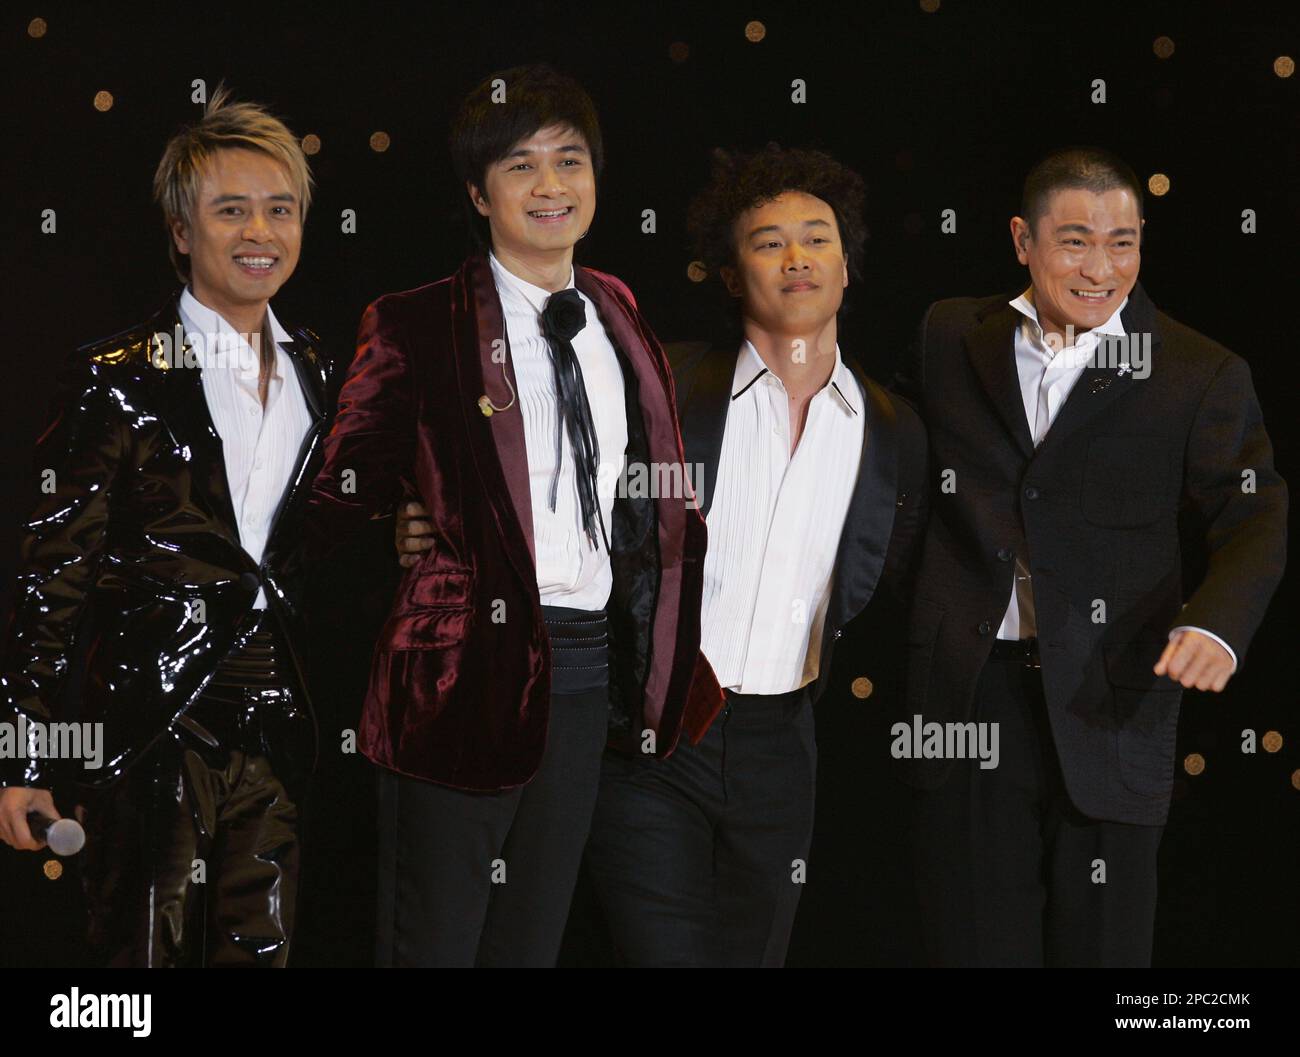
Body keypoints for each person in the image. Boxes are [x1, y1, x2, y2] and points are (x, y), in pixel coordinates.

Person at [310, 64, 713, 967]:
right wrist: (398, 523)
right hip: (459, 674)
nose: (550, 186)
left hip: (583, 669)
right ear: (477, 193)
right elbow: (339, 492)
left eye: (569, 161)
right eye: (521, 166)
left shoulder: (618, 309)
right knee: (434, 944)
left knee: (530, 942)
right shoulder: (415, 320)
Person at [894, 146, 1288, 967]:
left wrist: (1216, 628)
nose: (1101, 268)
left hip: (1112, 698)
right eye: (1075, 241)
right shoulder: (948, 336)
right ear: (1022, 240)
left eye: (1124, 242)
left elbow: (1255, 513)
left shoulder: (1196, 370)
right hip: (971, 696)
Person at [0, 86, 326, 967]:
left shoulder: (325, 381)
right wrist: (22, 756)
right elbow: (51, 576)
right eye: (232, 210)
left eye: (280, 209)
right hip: (148, 730)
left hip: (280, 729)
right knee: (128, 980)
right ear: (182, 232)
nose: (260, 231)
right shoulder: (116, 379)